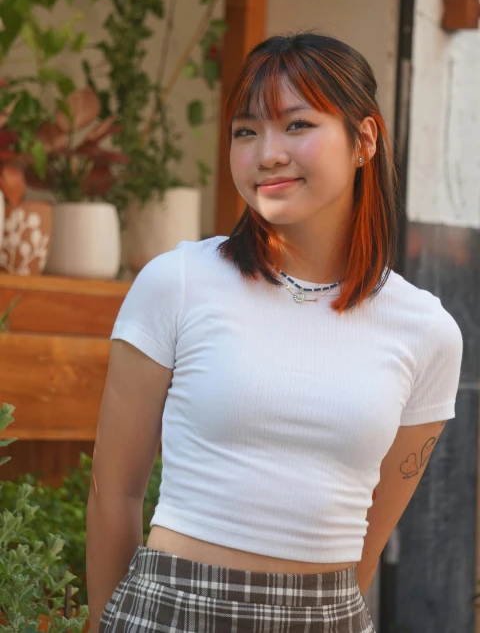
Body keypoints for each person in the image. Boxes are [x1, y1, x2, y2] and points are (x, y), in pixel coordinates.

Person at [86, 33, 463, 633]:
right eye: (246, 130)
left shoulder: (426, 332)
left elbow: (369, 536)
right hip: (171, 612)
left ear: (364, 139)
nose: (267, 153)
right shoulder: (176, 283)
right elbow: (115, 494)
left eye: (296, 125)